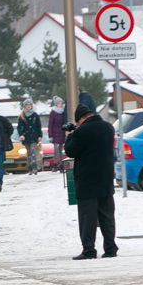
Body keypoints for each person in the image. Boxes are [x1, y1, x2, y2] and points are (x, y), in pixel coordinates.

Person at [64, 104, 118, 260]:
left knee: (87, 218)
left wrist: (71, 134)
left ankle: (89, 250)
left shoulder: (82, 131)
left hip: (87, 181)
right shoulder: (108, 127)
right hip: (105, 178)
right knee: (107, 216)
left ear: (80, 119)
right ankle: (110, 248)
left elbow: (71, 151)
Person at [17, 98, 42, 175]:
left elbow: (38, 126)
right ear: (25, 106)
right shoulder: (22, 116)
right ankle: (30, 168)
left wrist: (39, 135)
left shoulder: (35, 115)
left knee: (33, 151)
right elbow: (19, 126)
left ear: (31, 106)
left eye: (29, 105)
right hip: (26, 136)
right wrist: (21, 134)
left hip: (34, 136)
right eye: (27, 105)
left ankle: (35, 168)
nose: (28, 106)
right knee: (28, 153)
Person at [48, 96, 67, 172]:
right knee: (55, 150)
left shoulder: (64, 112)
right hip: (55, 133)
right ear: (56, 104)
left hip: (62, 132)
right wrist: (50, 135)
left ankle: (61, 164)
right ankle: (55, 164)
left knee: (61, 150)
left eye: (61, 103)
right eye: (59, 103)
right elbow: (50, 124)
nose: (60, 104)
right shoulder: (53, 112)